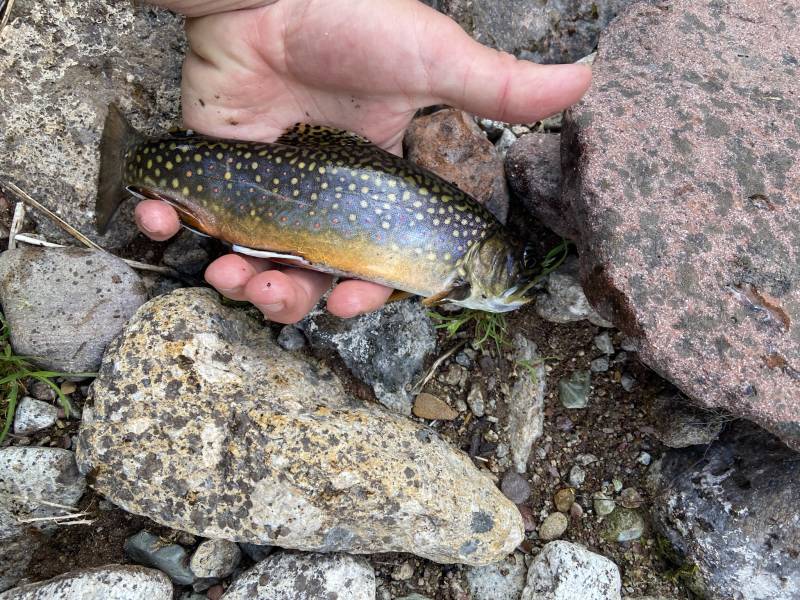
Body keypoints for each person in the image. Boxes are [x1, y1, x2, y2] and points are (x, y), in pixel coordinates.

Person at [137, 0, 591, 324]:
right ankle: (142, 165)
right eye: (513, 265)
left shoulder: (464, 251)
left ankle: (147, 168)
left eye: (516, 268)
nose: (517, 278)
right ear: (486, 257)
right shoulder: (463, 249)